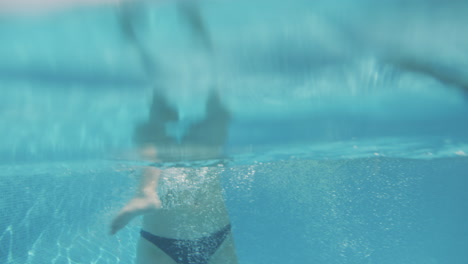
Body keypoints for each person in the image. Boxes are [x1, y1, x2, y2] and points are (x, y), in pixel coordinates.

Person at [110, 1, 238, 264]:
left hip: (171, 241)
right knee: (172, 111)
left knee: (181, 109)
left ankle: (146, 190)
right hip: (205, 239)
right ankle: (189, 21)